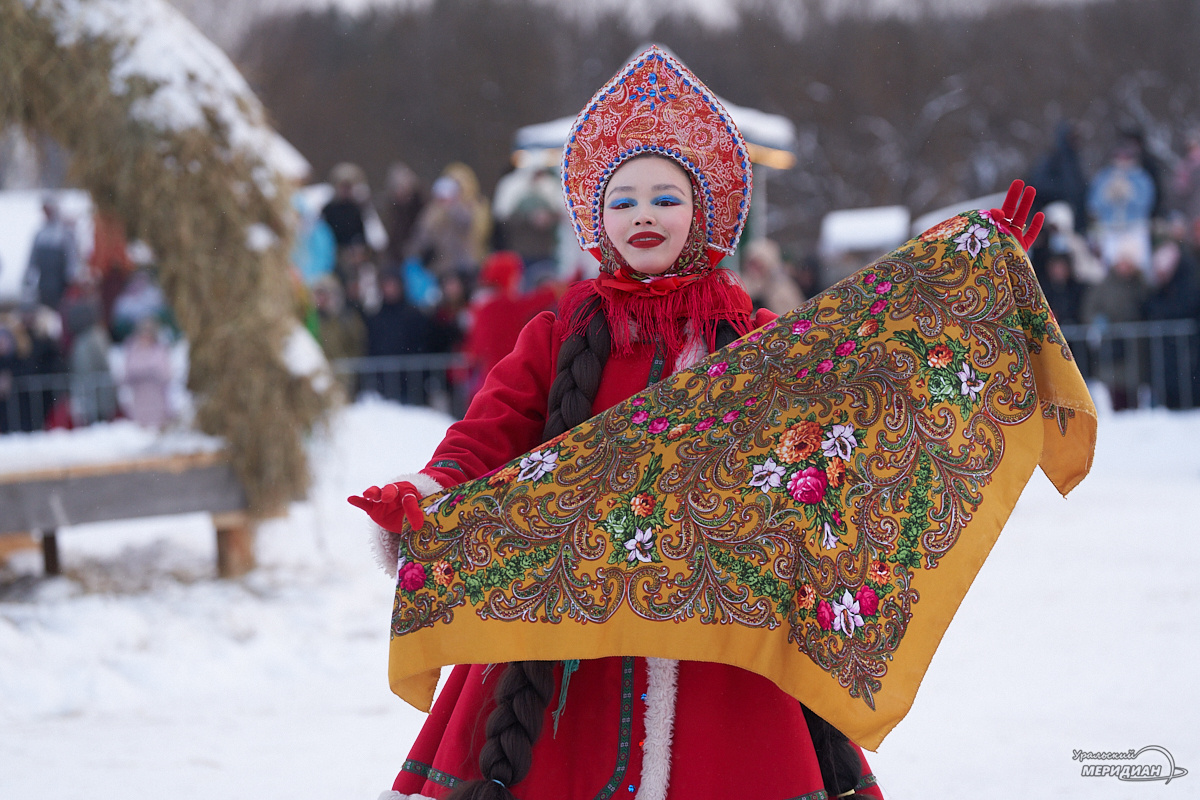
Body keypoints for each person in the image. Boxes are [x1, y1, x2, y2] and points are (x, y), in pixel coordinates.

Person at [351, 48, 887, 800]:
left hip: (726, 639)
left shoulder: (760, 339)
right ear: (596, 216)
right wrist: (426, 493)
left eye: (666, 199)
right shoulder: (560, 333)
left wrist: (975, 286)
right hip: (572, 633)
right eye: (624, 199)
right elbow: (487, 432)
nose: (644, 215)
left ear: (703, 212)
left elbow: (854, 411)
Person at [25, 196, 80, 312]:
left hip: (60, 286)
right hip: (43, 285)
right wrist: (28, 277)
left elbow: (71, 257)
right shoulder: (40, 234)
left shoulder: (64, 234)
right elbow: (32, 259)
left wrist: (71, 279)